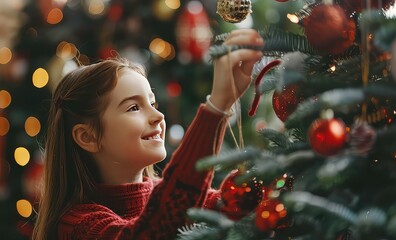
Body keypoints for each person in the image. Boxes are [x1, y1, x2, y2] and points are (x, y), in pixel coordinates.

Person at [32, 29, 264, 240]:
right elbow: (152, 231)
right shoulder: (77, 225)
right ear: (87, 137)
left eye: (153, 103)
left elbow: (234, 209)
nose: (158, 116)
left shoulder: (185, 201)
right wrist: (216, 109)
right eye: (134, 107)